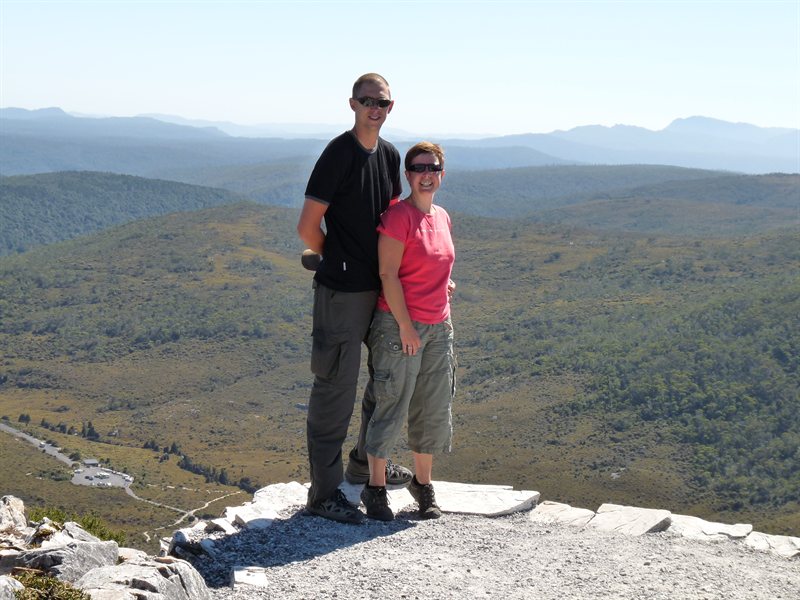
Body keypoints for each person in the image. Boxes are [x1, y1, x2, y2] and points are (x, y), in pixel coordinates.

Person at [296, 73, 412, 525]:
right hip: (343, 293)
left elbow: (394, 220)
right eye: (367, 101)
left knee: (384, 381)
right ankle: (324, 493)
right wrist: (337, 258)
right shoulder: (338, 153)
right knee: (335, 390)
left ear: (390, 107)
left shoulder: (389, 155)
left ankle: (365, 465)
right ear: (352, 104)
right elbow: (308, 227)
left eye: (382, 102)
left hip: (381, 287)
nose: (375, 108)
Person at [359, 141, 456, 521]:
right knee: (392, 403)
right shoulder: (398, 217)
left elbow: (435, 263)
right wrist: (405, 326)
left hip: (439, 325)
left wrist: (444, 284)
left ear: (441, 174)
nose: (426, 175)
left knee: (432, 406)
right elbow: (387, 274)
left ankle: (423, 484)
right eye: (419, 168)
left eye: (433, 168)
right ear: (408, 175)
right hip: (399, 325)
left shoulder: (442, 217)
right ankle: (375, 487)